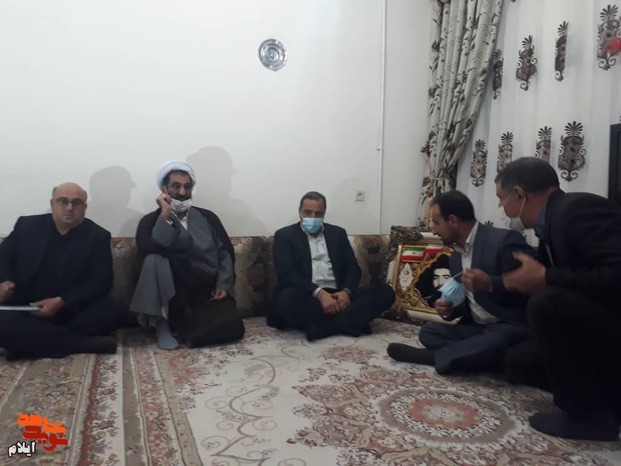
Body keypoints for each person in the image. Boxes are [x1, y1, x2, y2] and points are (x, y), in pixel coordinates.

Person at [496, 157, 621, 441]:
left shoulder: (575, 209)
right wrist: (504, 282)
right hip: (599, 325)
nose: (501, 208)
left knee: (547, 302)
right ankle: (608, 401)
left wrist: (547, 277)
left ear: (519, 194)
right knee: (518, 361)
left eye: (502, 199)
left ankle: (589, 418)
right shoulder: (551, 221)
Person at [387, 190, 533, 375]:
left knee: (500, 337)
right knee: (429, 333)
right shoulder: (456, 256)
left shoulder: (504, 240)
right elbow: (470, 303)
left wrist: (490, 283)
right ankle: (481, 358)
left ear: (453, 221)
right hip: (477, 329)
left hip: (508, 325)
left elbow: (530, 287)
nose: (433, 231)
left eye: (436, 223)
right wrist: (451, 310)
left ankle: (433, 357)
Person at [0, 183, 125, 360]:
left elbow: (101, 281)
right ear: (52, 204)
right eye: (63, 201)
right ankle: (80, 344)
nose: (69, 208)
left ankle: (27, 344)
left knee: (114, 310)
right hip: (26, 308)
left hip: (71, 310)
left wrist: (62, 301)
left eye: (76, 203)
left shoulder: (98, 236)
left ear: (84, 208)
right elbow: (4, 256)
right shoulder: (27, 226)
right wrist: (4, 281)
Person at [130, 161, 244, 350]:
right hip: (171, 290)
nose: (182, 192)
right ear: (164, 189)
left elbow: (225, 253)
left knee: (233, 327)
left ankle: (186, 331)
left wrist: (223, 284)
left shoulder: (208, 217)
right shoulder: (149, 222)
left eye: (187, 186)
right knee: (154, 260)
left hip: (205, 289)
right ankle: (162, 325)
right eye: (176, 186)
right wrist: (165, 215)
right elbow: (156, 247)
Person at [268, 191, 395, 341]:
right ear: (300, 212)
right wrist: (320, 294)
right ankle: (350, 321)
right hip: (308, 295)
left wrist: (345, 292)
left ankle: (328, 327)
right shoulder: (285, 235)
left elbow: (353, 268)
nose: (313, 217)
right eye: (308, 212)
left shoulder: (337, 234)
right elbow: (286, 274)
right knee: (286, 299)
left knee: (385, 292)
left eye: (318, 213)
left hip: (338, 294)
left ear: (324, 213)